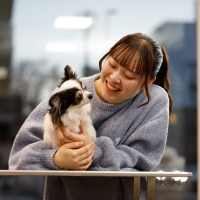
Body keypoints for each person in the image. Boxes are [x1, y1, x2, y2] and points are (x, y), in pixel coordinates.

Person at [9, 33, 173, 200]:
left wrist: (94, 152)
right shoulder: (70, 92)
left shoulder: (153, 100)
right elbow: (18, 159)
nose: (114, 78)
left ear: (148, 81)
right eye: (113, 65)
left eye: (129, 76)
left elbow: (143, 161)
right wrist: (55, 159)